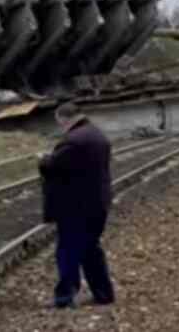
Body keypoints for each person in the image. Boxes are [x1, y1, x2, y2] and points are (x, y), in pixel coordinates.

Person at [39, 102, 114, 309]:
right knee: (91, 249)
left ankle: (64, 297)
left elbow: (54, 168)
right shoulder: (98, 135)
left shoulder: (73, 141)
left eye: (59, 122)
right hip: (98, 204)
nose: (60, 127)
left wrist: (44, 160)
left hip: (76, 207)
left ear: (65, 119)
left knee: (68, 251)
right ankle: (104, 294)